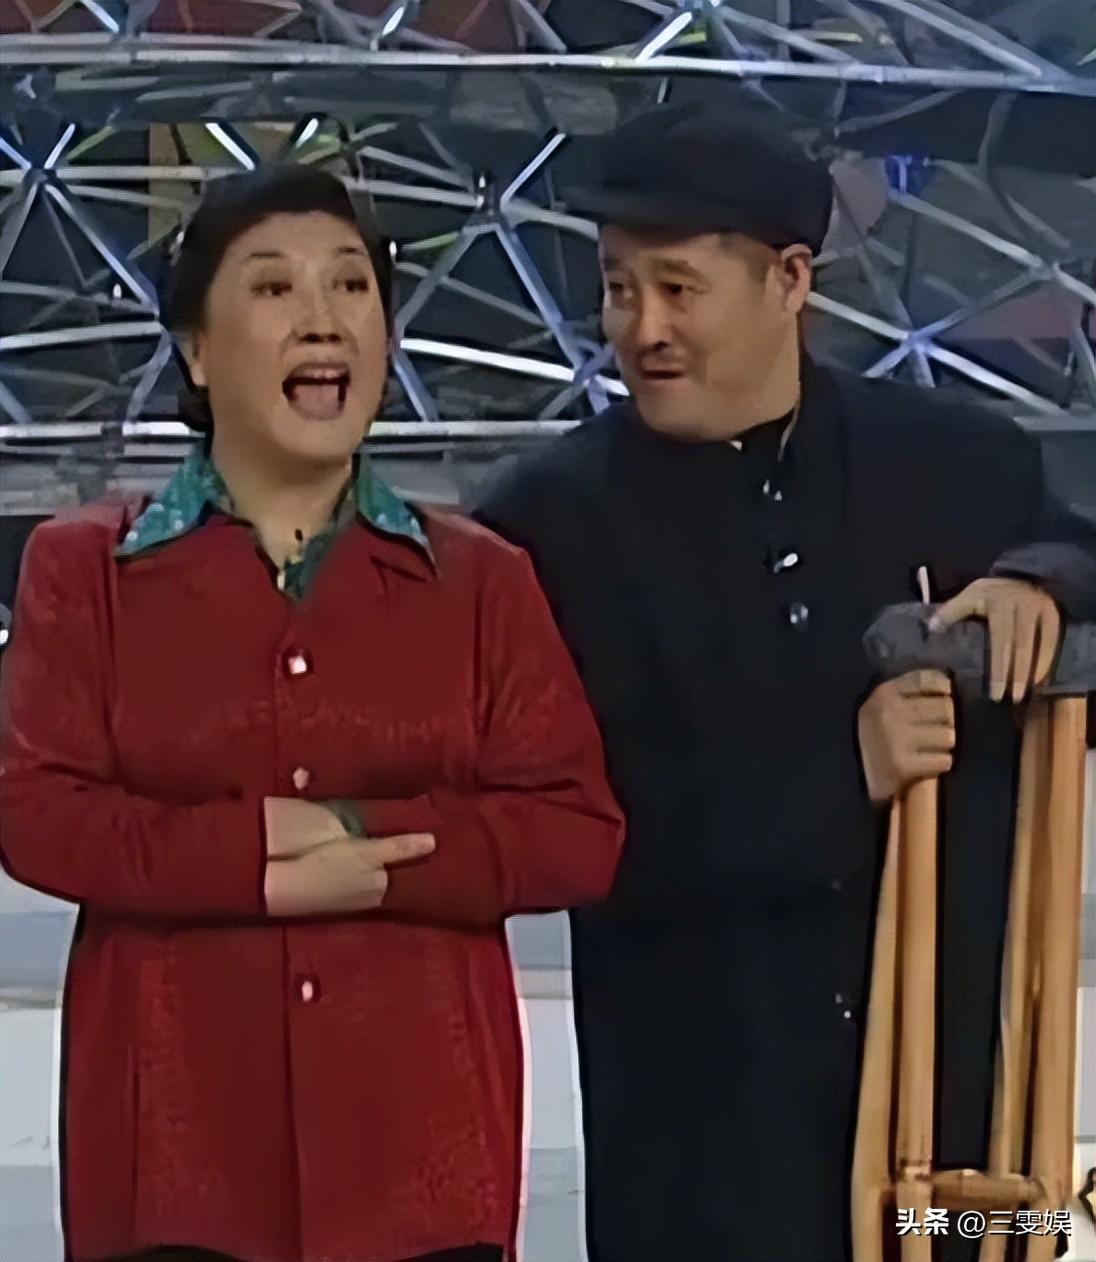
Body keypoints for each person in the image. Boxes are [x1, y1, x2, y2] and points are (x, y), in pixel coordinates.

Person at [475, 106, 1096, 1262]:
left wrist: (1041, 583)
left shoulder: (959, 464)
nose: (642, 328)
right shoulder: (545, 528)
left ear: (789, 280)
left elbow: (1080, 555)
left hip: (954, 1146)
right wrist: (841, 774)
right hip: (702, 1155)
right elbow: (577, 826)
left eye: (678, 288)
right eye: (617, 288)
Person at [0, 166, 624, 1262]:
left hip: (423, 1160)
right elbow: (39, 812)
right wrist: (242, 857)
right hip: (174, 1161)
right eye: (273, 287)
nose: (322, 317)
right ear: (197, 349)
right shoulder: (84, 570)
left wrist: (364, 848)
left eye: (350, 285)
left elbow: (574, 828)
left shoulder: (480, 578)